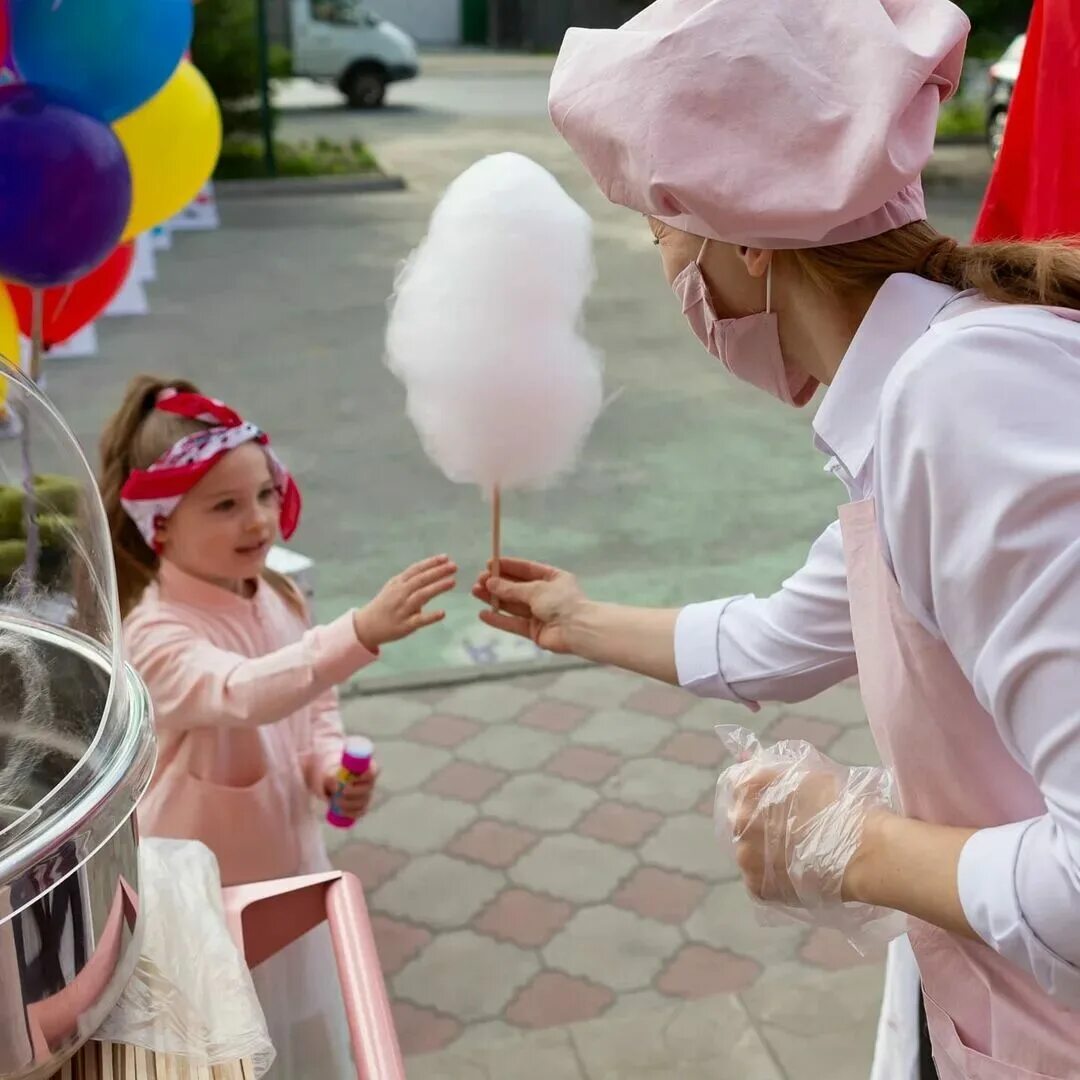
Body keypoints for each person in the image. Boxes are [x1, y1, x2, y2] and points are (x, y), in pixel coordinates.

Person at [472, 2, 1080, 1077]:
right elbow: (780, 639)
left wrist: (855, 844)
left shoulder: (962, 398)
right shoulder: (918, 389)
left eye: (662, 234)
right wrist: (571, 618)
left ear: (745, 240)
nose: (669, 278)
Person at [99, 375, 456, 1078]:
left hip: (293, 876)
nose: (258, 520)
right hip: (212, 909)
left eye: (264, 495)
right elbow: (241, 693)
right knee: (234, 1051)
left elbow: (313, 700)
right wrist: (357, 631)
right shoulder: (155, 635)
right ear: (160, 522)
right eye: (225, 505)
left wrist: (326, 767)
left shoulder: (278, 594)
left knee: (308, 1038)